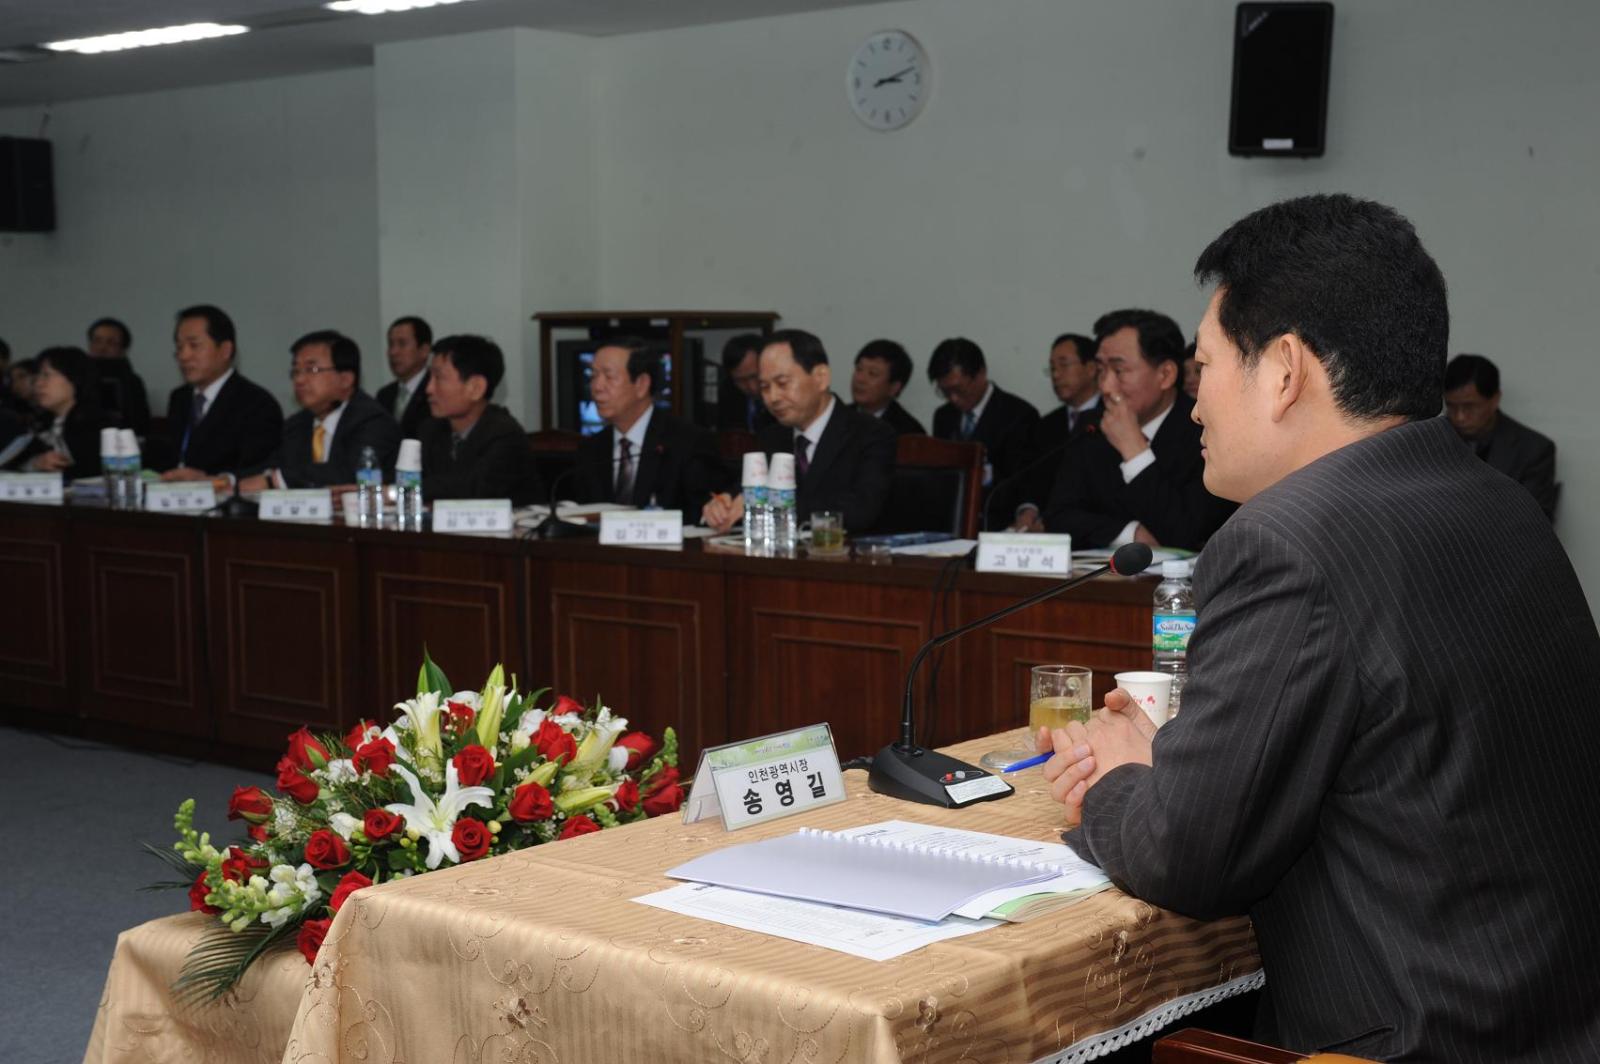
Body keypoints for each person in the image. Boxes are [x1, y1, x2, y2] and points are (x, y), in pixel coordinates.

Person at [1037, 194, 1600, 1062]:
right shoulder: (1497, 501)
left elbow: (1186, 859)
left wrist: (1115, 778)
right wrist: (1178, 762)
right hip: (1551, 1019)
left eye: (1205, 368)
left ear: (1285, 370)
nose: (1195, 407)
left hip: (1403, 1039)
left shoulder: (1285, 541)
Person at [1043, 309, 1233, 550]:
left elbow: (1188, 533)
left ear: (1165, 375)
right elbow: (1058, 516)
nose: (1106, 386)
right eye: (1101, 371)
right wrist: (1128, 533)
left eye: (1119, 371)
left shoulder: (1205, 430)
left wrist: (1135, 452)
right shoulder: (1093, 424)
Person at [702, 329, 895, 534]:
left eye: (782, 383)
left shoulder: (871, 434)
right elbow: (746, 490)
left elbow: (860, 510)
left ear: (820, 378)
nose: (773, 397)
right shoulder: (772, 436)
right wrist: (724, 504)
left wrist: (768, 503)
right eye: (765, 387)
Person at [238, 330, 400, 491]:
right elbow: (271, 465)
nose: (299, 380)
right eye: (296, 371)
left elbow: (349, 474)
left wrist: (276, 480)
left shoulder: (374, 421)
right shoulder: (295, 424)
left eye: (312, 370)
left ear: (345, 379)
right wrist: (230, 480)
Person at [573, 336, 723, 509]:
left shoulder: (688, 443)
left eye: (609, 376)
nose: (596, 387)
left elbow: (705, 512)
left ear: (641, 384)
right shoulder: (590, 450)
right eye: (593, 375)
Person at [158, 305, 283, 483]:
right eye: (179, 347)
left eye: (194, 345)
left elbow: (259, 470)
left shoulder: (257, 404)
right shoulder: (179, 398)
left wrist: (212, 481)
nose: (184, 356)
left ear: (225, 350)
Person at [418, 334, 540, 505]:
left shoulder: (506, 435)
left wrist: (400, 491)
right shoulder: (430, 430)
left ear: (476, 388)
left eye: (439, 378)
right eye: (429, 378)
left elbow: (472, 489)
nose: (429, 388)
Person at [1006, 333, 1101, 532]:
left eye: (1064, 365)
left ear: (1091, 368)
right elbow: (1034, 480)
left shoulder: (1115, 418)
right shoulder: (1046, 425)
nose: (1056, 375)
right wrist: (1029, 511)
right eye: (1052, 368)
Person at [1443, 353, 1558, 519]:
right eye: (1451, 406)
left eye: (1469, 407)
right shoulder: (1430, 439)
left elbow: (1535, 520)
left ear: (1495, 400)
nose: (1460, 417)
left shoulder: (1533, 450)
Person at [927, 337, 1038, 487]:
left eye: (959, 389)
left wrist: (984, 475)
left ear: (981, 374)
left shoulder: (1019, 415)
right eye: (945, 392)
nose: (953, 398)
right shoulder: (943, 416)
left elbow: (1022, 480)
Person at [4, 346, 108, 480]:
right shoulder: (41, 424)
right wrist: (36, 463)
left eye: (46, 375)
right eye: (37, 376)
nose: (38, 384)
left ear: (74, 378)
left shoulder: (98, 425)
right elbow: (10, 462)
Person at [86, 316, 152, 436]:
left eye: (111, 343)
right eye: (97, 341)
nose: (102, 347)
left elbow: (139, 424)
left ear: (123, 350)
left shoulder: (132, 382)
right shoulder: (76, 378)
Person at [848, 339, 925, 435]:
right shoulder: (837, 416)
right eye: (859, 369)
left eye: (873, 373)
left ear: (894, 388)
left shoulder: (909, 432)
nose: (860, 379)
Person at [375, 315, 434, 439]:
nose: (393, 352)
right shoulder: (384, 395)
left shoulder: (435, 392)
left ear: (424, 350)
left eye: (402, 344)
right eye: (391, 344)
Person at [717, 333, 775, 433]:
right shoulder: (728, 393)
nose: (752, 387)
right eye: (740, 380)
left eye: (755, 376)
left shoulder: (784, 395)